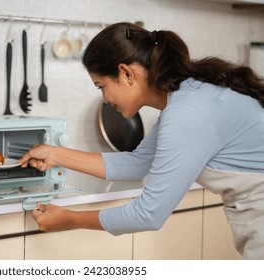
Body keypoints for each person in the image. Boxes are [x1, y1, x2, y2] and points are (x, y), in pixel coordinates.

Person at [19, 22, 264, 259]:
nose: (104, 98)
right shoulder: (186, 98)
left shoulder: (188, 112)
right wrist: (55, 154)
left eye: (100, 86)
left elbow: (149, 214)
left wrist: (69, 219)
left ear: (126, 73)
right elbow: (138, 163)